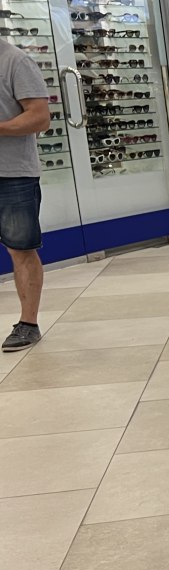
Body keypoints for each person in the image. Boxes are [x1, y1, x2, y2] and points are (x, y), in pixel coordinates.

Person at [0, 39, 51, 351]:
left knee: (21, 249)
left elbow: (39, 117)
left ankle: (28, 324)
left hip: (12, 174)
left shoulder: (15, 62)